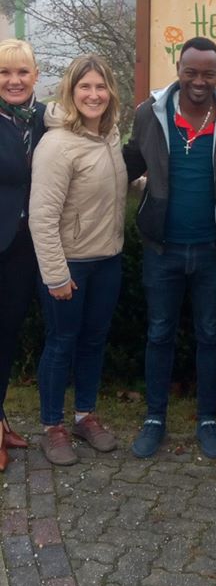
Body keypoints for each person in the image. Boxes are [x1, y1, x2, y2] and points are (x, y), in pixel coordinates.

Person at [123, 37, 216, 460]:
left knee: (211, 335)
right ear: (178, 68)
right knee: (159, 333)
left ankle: (207, 419)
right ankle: (154, 419)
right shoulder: (150, 113)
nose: (199, 81)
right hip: (161, 249)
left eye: (208, 73)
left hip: (214, 251)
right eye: (191, 72)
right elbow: (126, 163)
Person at [29, 55, 127, 466]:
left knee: (92, 341)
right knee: (61, 343)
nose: (93, 94)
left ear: (110, 93)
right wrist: (56, 275)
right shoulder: (57, 144)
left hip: (108, 260)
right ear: (70, 91)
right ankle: (52, 426)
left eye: (100, 87)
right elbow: (42, 217)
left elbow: (114, 183)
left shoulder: (110, 135)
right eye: (84, 86)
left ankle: (85, 415)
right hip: (70, 264)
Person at [0, 39, 46, 471]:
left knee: (8, 334)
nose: (13, 81)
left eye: (21, 73)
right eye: (3, 73)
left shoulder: (47, 119)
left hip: (26, 246)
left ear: (35, 76)